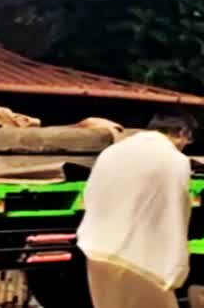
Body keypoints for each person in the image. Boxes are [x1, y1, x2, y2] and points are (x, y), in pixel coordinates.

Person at [76, 111, 197, 308]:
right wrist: (176, 265)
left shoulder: (112, 152)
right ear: (183, 132)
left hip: (96, 251)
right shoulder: (175, 160)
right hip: (141, 262)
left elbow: (90, 196)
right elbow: (175, 213)